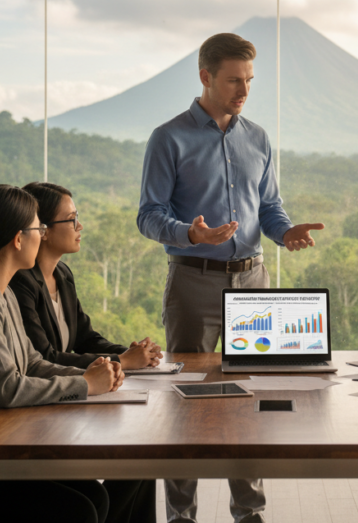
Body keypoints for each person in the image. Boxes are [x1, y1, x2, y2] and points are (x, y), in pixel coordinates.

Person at [137, 32, 325, 523]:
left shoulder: (258, 137)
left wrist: (285, 234)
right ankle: (181, 515)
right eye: (233, 80)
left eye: (249, 81)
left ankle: (249, 513)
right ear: (205, 77)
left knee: (253, 396)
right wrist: (189, 234)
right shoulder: (169, 137)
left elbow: (269, 207)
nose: (244, 90)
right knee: (187, 399)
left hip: (253, 281)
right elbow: (148, 215)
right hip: (193, 281)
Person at [0, 184, 148, 523]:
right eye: (38, 228)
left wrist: (90, 376)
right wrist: (87, 385)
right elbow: (9, 388)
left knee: (94, 496)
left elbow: (32, 362)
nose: (42, 235)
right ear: (18, 239)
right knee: (79, 510)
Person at [11, 181, 163, 372]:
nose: (79, 226)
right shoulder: (21, 282)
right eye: (71, 219)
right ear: (43, 230)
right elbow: (44, 357)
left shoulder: (63, 274)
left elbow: (86, 339)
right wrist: (122, 360)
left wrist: (134, 353)